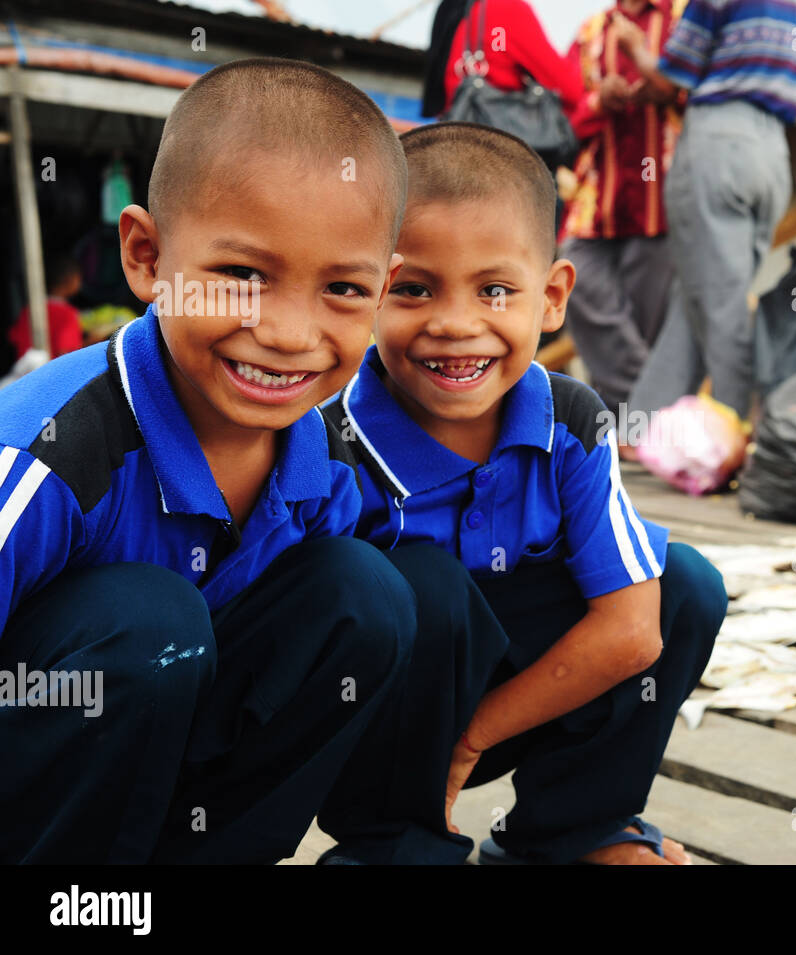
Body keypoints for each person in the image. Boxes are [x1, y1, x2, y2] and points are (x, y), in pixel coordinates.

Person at [0, 58, 488, 865]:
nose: (292, 333)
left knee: (369, 592)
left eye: (341, 288)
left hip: (149, 779)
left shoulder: (324, 463)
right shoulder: (51, 450)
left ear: (384, 288)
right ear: (147, 258)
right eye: (241, 275)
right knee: (153, 622)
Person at [323, 122, 727, 865]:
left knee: (685, 585)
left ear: (552, 297)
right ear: (364, 290)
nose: (455, 325)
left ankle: (573, 831)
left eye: (496, 290)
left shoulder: (569, 419)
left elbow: (634, 629)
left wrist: (474, 735)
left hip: (503, 708)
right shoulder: (330, 443)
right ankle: (395, 843)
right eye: (411, 289)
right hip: (372, 727)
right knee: (425, 586)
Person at [618, 0, 796, 419]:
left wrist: (635, 47)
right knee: (701, 294)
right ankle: (646, 424)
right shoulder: (795, 6)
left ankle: (732, 429)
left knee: (719, 305)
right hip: (773, 152)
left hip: (719, 143)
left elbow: (667, 81)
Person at [558, 0, 687, 413]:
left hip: (662, 200)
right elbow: (562, 118)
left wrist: (663, 86)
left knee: (645, 323)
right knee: (575, 281)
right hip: (598, 197)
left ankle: (624, 436)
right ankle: (658, 410)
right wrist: (599, 101)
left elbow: (709, 95)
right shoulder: (591, 32)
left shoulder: (685, 19)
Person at [421, 0, 584, 118]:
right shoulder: (507, 9)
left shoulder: (450, 9)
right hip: (495, 148)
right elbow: (571, 90)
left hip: (450, 138)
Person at [8, 254, 84, 361]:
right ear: (69, 279)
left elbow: (14, 338)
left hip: (27, 373)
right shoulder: (67, 314)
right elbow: (66, 353)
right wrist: (95, 341)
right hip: (53, 374)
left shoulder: (29, 310)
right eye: (79, 278)